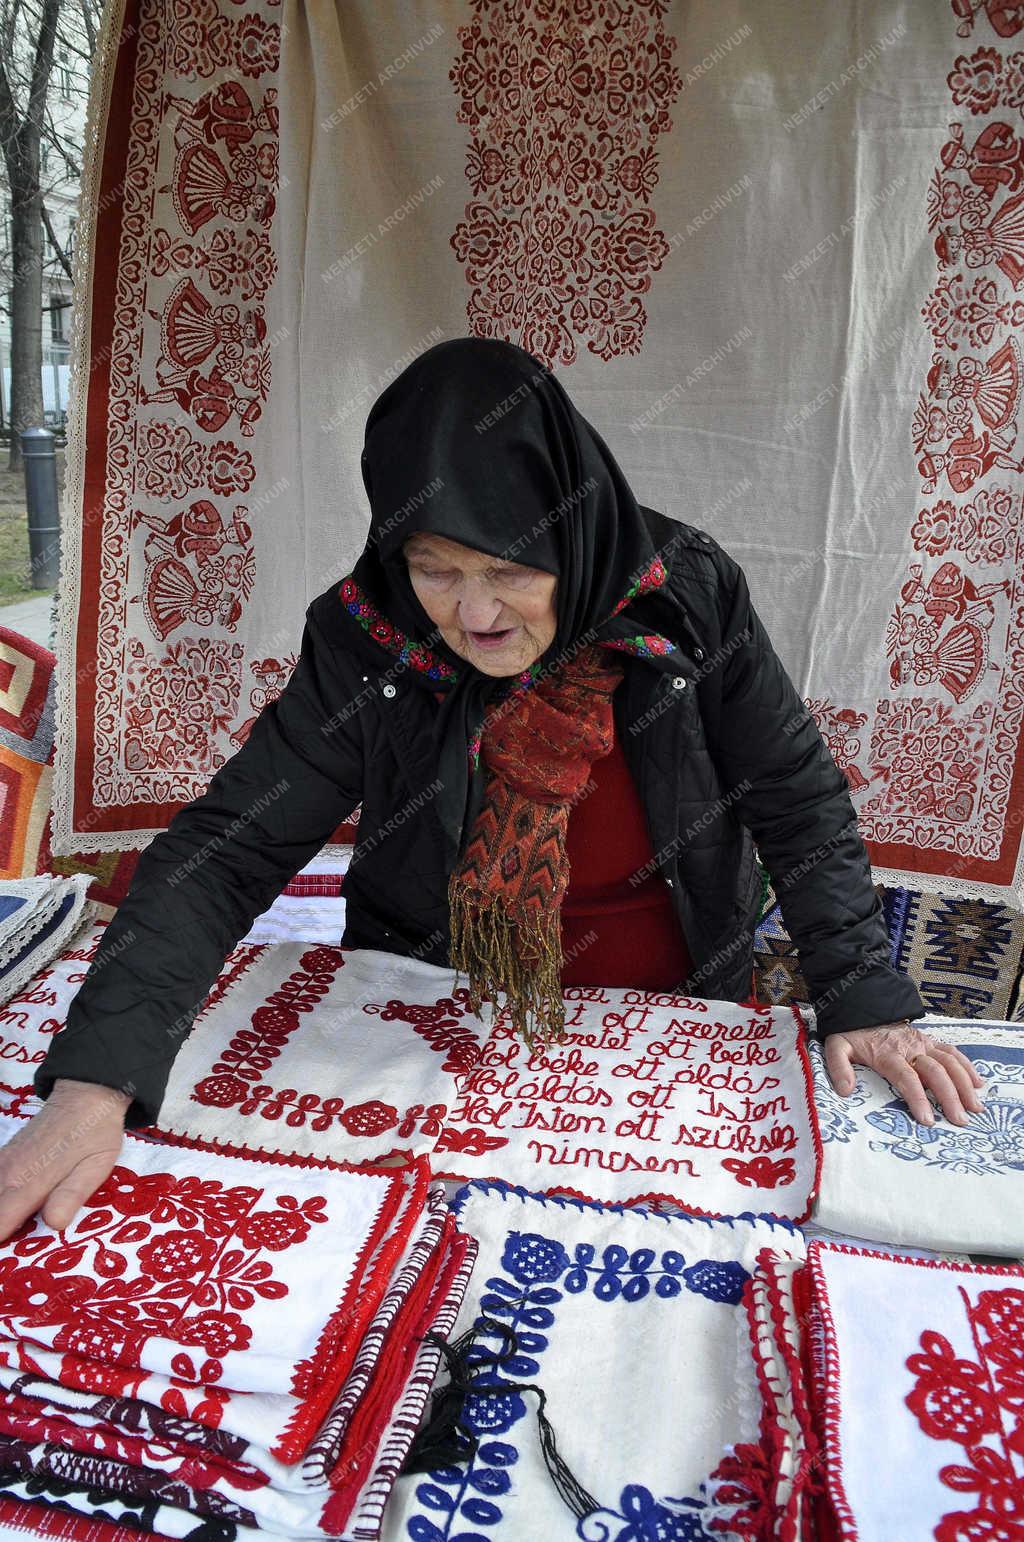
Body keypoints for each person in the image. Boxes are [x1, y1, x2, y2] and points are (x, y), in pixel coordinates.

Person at [0, 337, 983, 1242]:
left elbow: (791, 787)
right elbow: (230, 847)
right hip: (436, 1002)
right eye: (434, 569)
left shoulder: (684, 592)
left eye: (510, 571)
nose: (472, 612)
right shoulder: (365, 633)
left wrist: (860, 987)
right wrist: (96, 1082)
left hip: (669, 995)